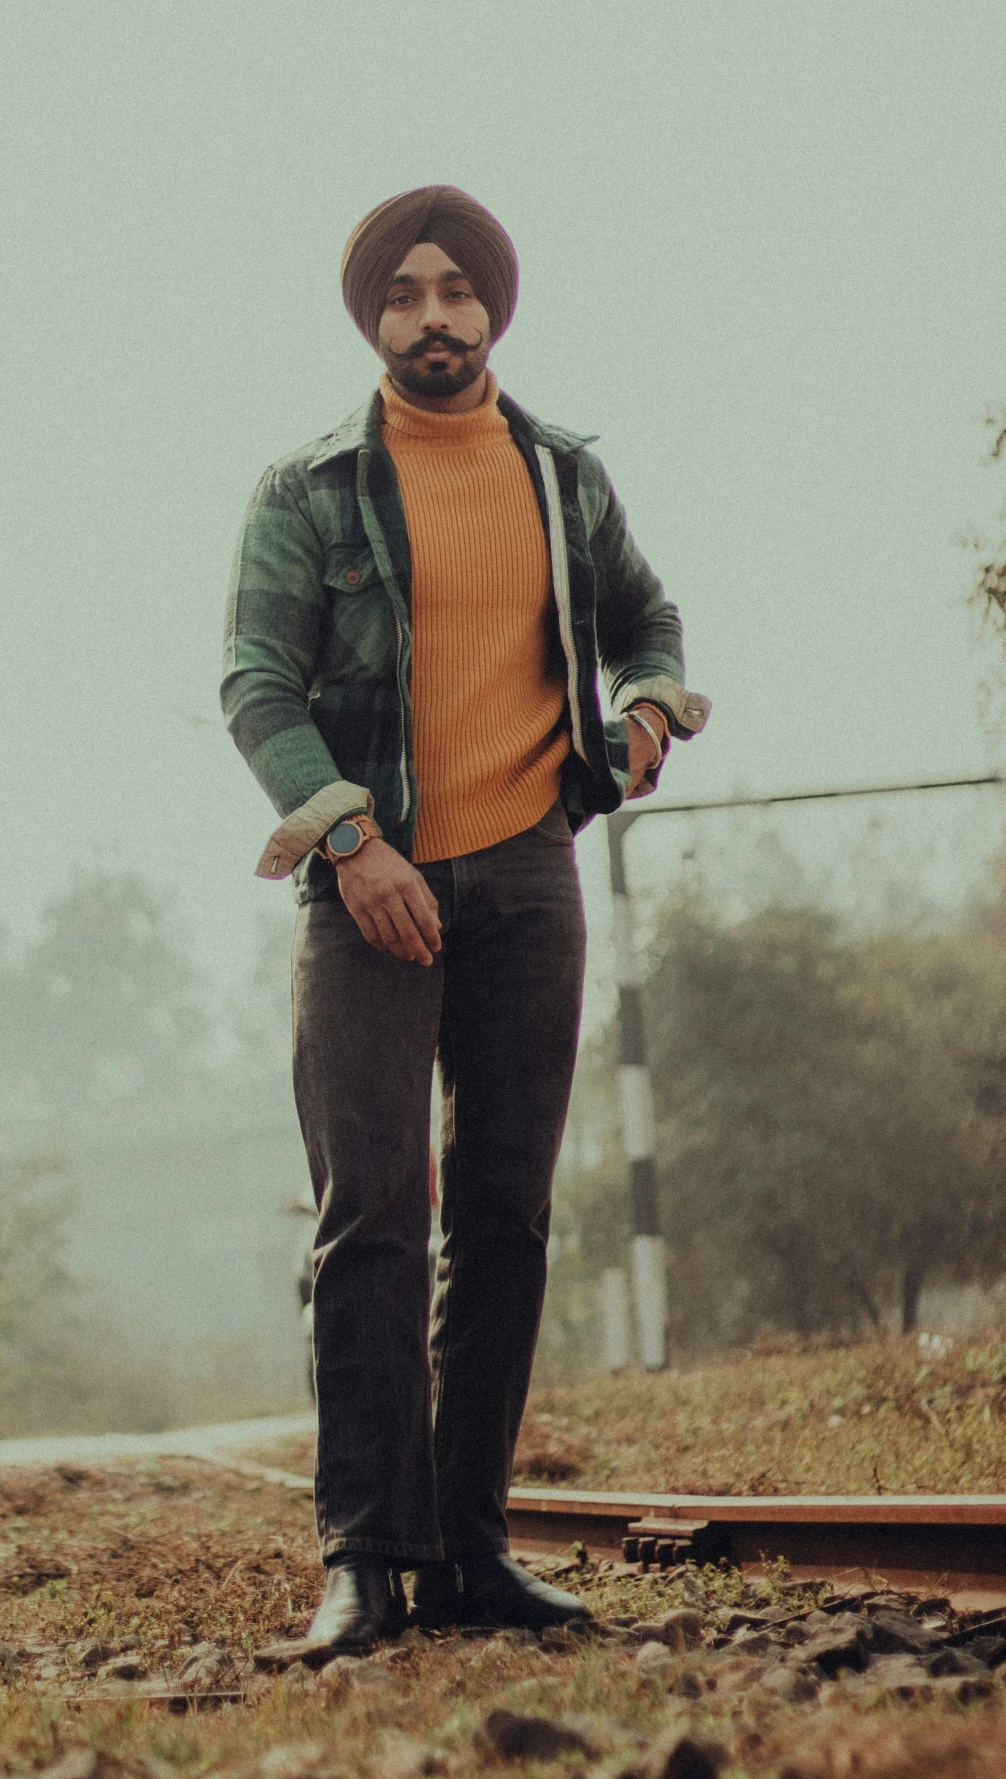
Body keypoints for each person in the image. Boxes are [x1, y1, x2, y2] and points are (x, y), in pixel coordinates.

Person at [222, 185, 710, 1653]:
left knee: (501, 1210)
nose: (431, 316)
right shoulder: (307, 490)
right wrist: (352, 841)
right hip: (365, 883)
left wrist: (645, 705)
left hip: (524, 875)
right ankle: (365, 1560)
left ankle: (473, 1553)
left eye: (455, 291)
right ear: (371, 318)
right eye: (401, 294)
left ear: (490, 308)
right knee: (370, 1211)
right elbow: (257, 687)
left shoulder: (562, 477)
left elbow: (649, 620)